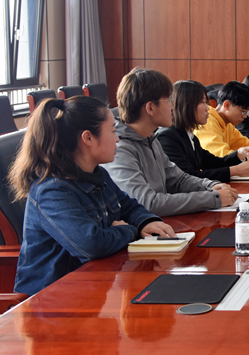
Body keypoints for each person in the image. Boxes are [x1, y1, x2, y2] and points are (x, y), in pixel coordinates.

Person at [10, 96, 176, 295]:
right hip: (50, 300)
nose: (117, 139)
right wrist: (130, 230)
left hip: (91, 286)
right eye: (113, 132)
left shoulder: (98, 174)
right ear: (88, 138)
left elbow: (129, 206)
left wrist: (145, 222)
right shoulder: (52, 191)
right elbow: (92, 244)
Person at [103, 67, 236, 216]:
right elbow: (148, 203)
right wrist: (213, 198)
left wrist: (211, 186)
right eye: (169, 100)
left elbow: (178, 179)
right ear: (150, 108)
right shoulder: (119, 149)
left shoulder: (150, 139)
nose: (173, 106)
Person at [156, 80, 249, 182]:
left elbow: (213, 163)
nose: (208, 108)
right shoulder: (167, 137)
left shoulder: (189, 135)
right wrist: (233, 171)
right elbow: (188, 177)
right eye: (203, 102)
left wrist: (238, 155)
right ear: (187, 105)